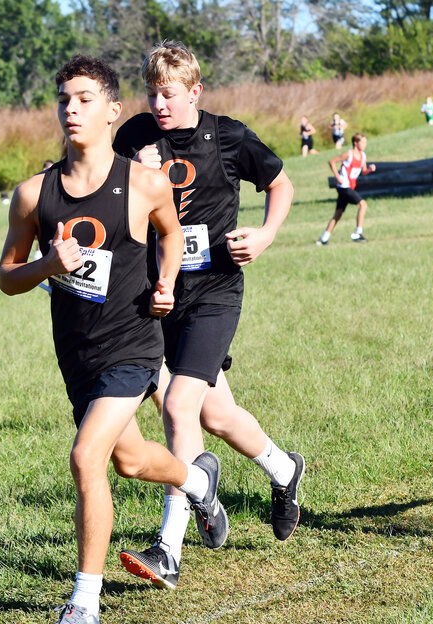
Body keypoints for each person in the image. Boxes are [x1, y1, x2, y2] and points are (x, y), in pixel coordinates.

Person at [0, 55, 228, 624]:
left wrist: (168, 283)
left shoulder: (145, 183)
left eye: (84, 99)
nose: (70, 109)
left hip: (134, 345)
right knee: (128, 461)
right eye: (63, 100)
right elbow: (7, 277)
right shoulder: (33, 194)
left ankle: (84, 601)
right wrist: (48, 264)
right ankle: (198, 478)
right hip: (77, 353)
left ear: (112, 112)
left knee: (86, 457)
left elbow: (171, 235)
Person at [112, 40, 303, 590]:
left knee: (179, 405)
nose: (159, 104)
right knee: (216, 415)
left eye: (168, 94)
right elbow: (113, 199)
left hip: (214, 293)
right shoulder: (133, 139)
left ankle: (168, 547)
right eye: (151, 94)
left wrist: (264, 235)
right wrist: (133, 172)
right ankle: (285, 471)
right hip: (156, 293)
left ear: (195, 91)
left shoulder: (229, 136)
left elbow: (280, 183)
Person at [316, 132, 376, 245]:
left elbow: (363, 171)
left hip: (350, 187)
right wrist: (338, 177)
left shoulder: (363, 156)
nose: (365, 144)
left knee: (338, 214)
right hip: (344, 187)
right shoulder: (348, 154)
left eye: (365, 142)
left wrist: (369, 170)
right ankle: (358, 234)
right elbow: (332, 161)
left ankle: (324, 238)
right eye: (362, 142)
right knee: (363, 205)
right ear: (355, 143)